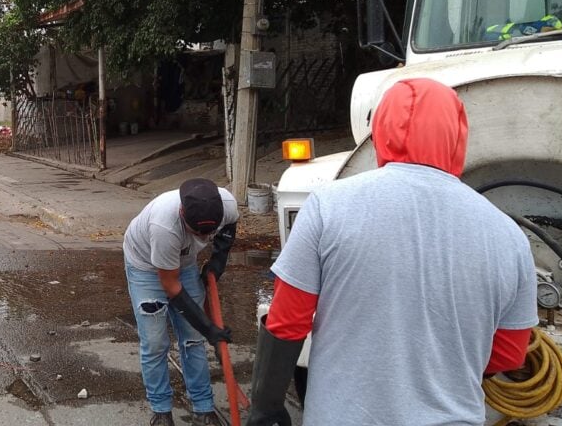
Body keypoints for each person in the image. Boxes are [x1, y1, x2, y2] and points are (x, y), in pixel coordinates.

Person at [246, 78, 536, 426]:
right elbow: (508, 353)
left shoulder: (328, 205)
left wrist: (266, 407)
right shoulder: (508, 234)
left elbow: (287, 322)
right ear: (458, 138)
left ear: (380, 131)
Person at [123, 178, 238, 426]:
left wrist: (219, 260)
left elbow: (229, 228)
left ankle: (203, 408)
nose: (205, 237)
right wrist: (210, 329)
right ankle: (162, 410)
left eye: (210, 232)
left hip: (184, 263)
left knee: (193, 339)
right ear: (182, 214)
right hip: (146, 267)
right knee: (155, 343)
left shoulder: (227, 204)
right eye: (199, 233)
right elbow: (171, 287)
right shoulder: (164, 225)